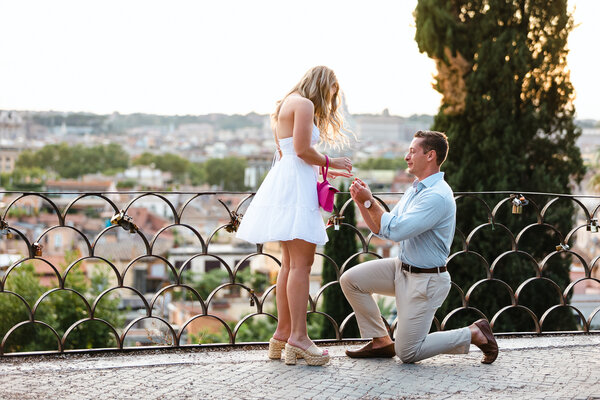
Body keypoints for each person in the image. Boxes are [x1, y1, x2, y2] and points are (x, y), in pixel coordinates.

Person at [340, 130, 498, 364]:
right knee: (350, 280)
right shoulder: (416, 188)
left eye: (413, 151)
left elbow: (396, 231)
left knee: (408, 352)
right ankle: (381, 341)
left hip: (425, 281)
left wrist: (368, 201)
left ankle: (473, 333)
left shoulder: (436, 196)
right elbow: (382, 228)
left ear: (430, 155)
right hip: (400, 269)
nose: (407, 156)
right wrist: (362, 202)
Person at [236, 66, 353, 366]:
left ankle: (282, 334)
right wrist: (332, 160)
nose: (331, 100)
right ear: (322, 85)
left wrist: (329, 167)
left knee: (289, 264)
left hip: (286, 181)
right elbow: (302, 149)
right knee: (302, 264)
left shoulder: (287, 103)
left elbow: (290, 151)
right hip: (296, 185)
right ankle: (299, 339)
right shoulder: (304, 104)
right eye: (331, 93)